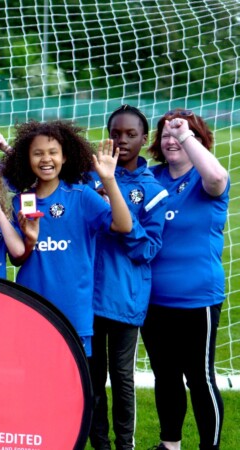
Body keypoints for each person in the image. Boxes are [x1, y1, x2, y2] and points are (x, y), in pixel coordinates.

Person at [0, 120, 133, 357]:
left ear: (64, 157)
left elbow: (124, 226)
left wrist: (109, 180)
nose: (46, 159)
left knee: (71, 376)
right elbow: (16, 258)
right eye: (38, 153)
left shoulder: (81, 196)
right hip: (32, 308)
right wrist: (30, 240)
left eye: (53, 152)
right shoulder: (20, 202)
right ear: (27, 159)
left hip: (73, 313)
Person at [141, 109, 229, 450]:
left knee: (199, 378)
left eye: (179, 134)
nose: (171, 140)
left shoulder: (206, 178)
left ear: (197, 140)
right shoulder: (151, 177)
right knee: (166, 377)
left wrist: (184, 134)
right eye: (165, 134)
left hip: (198, 298)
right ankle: (170, 445)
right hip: (152, 298)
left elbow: (217, 177)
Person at [87, 105, 169, 450]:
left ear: (144, 139)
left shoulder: (153, 190)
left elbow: (147, 249)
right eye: (115, 133)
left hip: (126, 297)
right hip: (88, 296)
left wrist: (118, 209)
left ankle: (125, 445)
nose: (122, 140)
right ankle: (100, 444)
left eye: (130, 134)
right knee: (92, 375)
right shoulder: (89, 178)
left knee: (121, 377)